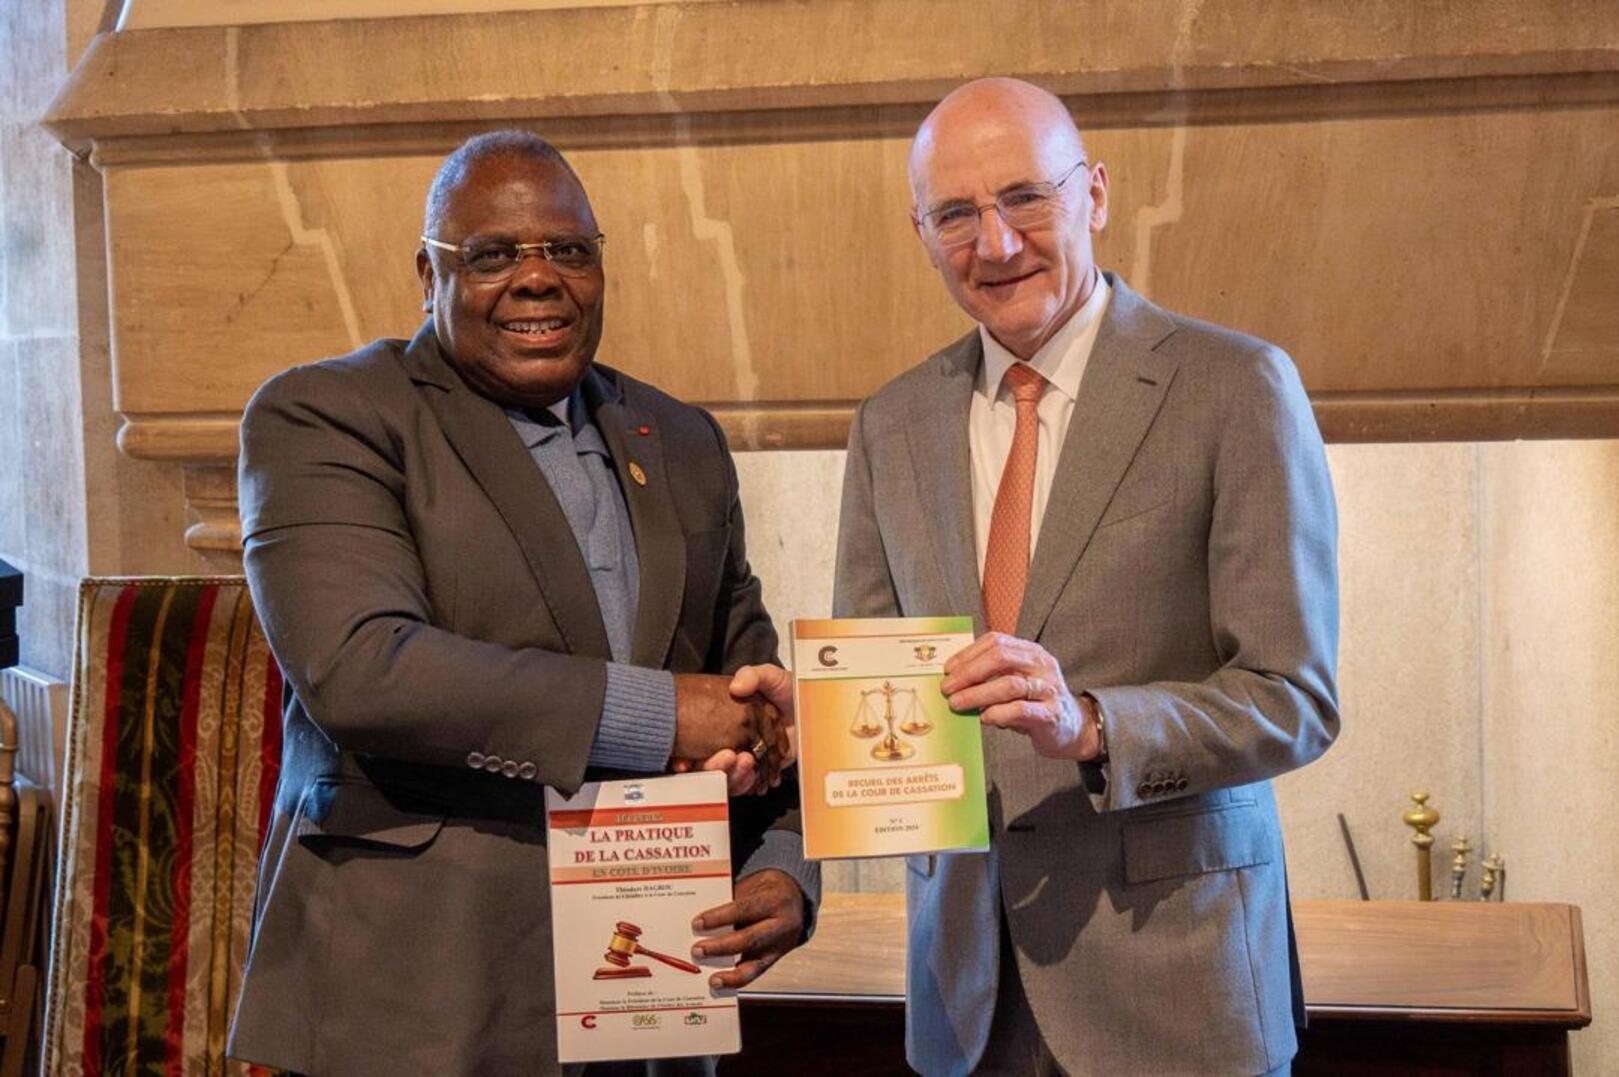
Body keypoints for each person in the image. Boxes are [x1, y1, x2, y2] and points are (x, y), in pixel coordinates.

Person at [744, 77, 1339, 1075]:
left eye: (1024, 197)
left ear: (1094, 193)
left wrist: (1093, 726)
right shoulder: (890, 425)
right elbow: (880, 699)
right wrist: (803, 726)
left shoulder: (1232, 388)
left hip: (1177, 991)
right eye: (955, 214)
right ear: (919, 230)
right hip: (963, 994)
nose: (996, 242)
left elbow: (1291, 698)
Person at [227, 130, 816, 1076]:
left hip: (650, 992)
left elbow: (754, 694)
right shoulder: (326, 414)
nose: (537, 279)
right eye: (493, 254)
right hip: (421, 1004)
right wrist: (662, 711)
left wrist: (784, 861)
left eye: (568, 250)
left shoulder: (680, 439)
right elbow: (362, 670)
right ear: (429, 274)